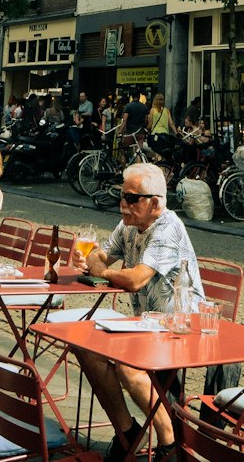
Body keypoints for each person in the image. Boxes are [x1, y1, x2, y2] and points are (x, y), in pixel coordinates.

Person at [74, 163, 205, 462]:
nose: (123, 203)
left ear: (155, 203)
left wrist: (103, 270)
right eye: (122, 196)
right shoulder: (129, 223)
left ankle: (168, 439)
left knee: (127, 364)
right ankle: (128, 430)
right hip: (148, 323)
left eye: (132, 198)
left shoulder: (168, 227)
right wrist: (93, 259)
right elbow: (100, 253)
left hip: (181, 325)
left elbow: (135, 280)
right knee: (85, 347)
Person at [147, 92, 177, 159]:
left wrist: (146, 129)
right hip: (165, 136)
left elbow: (150, 124)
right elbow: (171, 124)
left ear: (155, 100)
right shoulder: (167, 111)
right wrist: (176, 133)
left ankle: (159, 166)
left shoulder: (152, 110)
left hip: (155, 135)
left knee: (157, 153)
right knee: (164, 154)